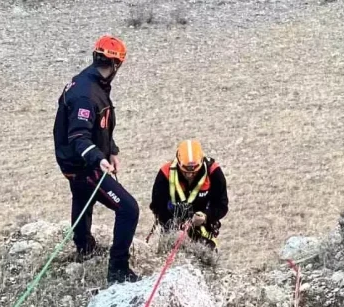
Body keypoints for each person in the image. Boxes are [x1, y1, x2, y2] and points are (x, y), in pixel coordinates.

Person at [53, 34, 140, 284]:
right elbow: (79, 135)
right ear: (116, 65)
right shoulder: (86, 94)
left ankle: (84, 247)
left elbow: (98, 127)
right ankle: (118, 269)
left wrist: (111, 148)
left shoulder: (91, 82)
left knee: (82, 199)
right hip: (83, 165)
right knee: (128, 208)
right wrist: (96, 158)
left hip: (74, 163)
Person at [149, 139, 228, 249]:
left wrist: (206, 216)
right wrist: (175, 225)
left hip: (204, 230)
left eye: (194, 172)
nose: (190, 175)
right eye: (185, 171)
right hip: (172, 230)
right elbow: (157, 206)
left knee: (206, 256)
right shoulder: (165, 173)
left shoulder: (213, 173)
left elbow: (221, 205)